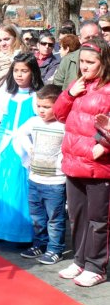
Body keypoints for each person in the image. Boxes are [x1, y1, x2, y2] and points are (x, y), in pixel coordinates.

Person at [53, 37, 110, 287]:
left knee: (100, 220)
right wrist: (69, 93)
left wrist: (105, 145)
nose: (84, 66)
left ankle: (97, 266)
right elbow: (58, 114)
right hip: (74, 161)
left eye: (90, 62)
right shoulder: (79, 85)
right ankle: (80, 260)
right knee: (77, 216)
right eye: (82, 62)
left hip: (99, 167)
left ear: (104, 62)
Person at [0, 53, 44, 243]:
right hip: (7, 148)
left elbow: (38, 124)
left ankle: (21, 231)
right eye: (16, 71)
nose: (19, 75)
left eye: (24, 71)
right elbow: (5, 122)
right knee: (0, 188)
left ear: (33, 72)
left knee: (20, 190)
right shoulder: (10, 95)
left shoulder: (36, 97)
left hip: (25, 150)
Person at [14, 84, 66, 265]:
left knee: (55, 218)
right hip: (35, 178)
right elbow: (19, 134)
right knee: (37, 216)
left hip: (56, 181)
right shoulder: (34, 122)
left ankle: (55, 248)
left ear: (58, 106)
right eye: (39, 106)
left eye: (47, 106)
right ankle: (40, 243)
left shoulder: (63, 125)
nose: (42, 110)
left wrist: (62, 163)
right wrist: (29, 149)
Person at [0, 24, 26, 147]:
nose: (3, 43)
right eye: (0, 40)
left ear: (15, 38)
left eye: (6, 39)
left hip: (10, 120)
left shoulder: (20, 61)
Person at [54, 21, 101, 90]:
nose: (92, 41)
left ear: (101, 37)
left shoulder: (107, 59)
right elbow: (56, 87)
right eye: (87, 38)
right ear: (80, 39)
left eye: (95, 37)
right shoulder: (68, 60)